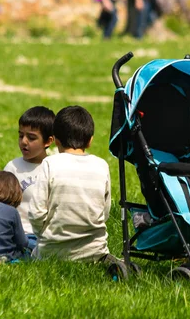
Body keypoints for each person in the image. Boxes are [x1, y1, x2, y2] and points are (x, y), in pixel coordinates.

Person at [28, 106, 112, 262]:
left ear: (56, 140)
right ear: (90, 141)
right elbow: (104, 212)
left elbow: (36, 213)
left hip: (51, 252)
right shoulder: (101, 165)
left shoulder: (49, 164)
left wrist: (43, 235)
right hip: (94, 252)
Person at [4, 106, 55, 250]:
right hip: (19, 234)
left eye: (31, 137)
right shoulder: (13, 167)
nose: (24, 141)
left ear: (48, 141)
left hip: (47, 236)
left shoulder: (54, 167)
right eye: (21, 135)